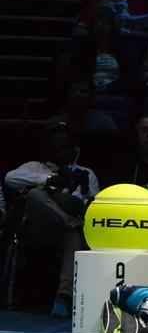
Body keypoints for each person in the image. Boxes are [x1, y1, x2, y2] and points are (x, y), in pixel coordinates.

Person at [5, 122, 100, 315]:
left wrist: (69, 195)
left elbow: (92, 205)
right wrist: (48, 181)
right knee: (35, 196)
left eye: (64, 146)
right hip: (37, 230)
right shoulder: (34, 168)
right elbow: (9, 179)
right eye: (54, 146)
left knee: (73, 233)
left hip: (70, 230)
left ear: (74, 149)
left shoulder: (85, 173)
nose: (59, 151)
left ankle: (63, 296)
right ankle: (67, 220)